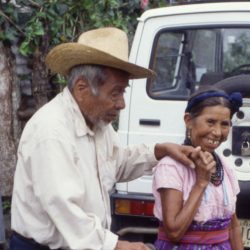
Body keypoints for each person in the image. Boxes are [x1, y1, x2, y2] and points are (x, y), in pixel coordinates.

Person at [10, 27, 204, 250]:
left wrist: (160, 151)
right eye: (115, 93)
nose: (121, 104)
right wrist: (117, 245)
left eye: (123, 92)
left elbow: (117, 164)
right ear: (82, 88)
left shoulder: (98, 124)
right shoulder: (52, 132)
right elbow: (64, 209)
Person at [153, 87, 244, 249]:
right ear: (188, 120)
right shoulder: (171, 166)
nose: (217, 132)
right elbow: (174, 232)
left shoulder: (224, 166)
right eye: (210, 122)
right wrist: (201, 183)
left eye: (225, 124)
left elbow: (233, 226)